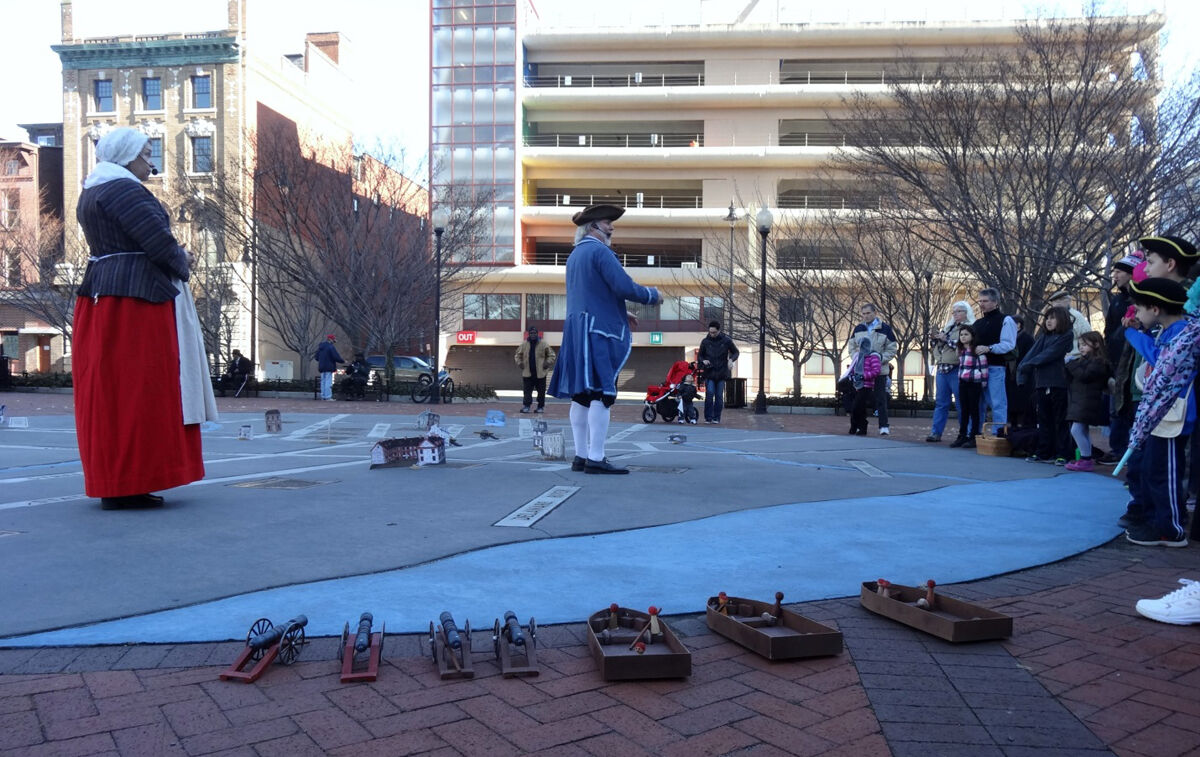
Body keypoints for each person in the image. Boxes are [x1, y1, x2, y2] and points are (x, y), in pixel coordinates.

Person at [72, 127, 211, 510]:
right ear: (126, 156)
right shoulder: (123, 190)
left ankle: (119, 482)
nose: (151, 160)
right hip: (136, 301)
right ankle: (129, 483)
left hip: (105, 296)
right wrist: (183, 261)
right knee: (141, 391)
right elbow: (157, 243)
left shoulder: (93, 189)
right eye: (146, 152)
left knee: (110, 394)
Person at [547, 204, 660, 474]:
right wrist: (652, 296)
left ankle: (581, 456)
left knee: (582, 396)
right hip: (597, 330)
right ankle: (596, 458)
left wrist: (620, 311)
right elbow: (623, 286)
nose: (612, 227)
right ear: (593, 227)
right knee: (601, 393)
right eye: (607, 222)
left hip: (577, 328)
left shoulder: (576, 255)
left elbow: (592, 294)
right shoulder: (600, 252)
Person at [1017, 306, 1074, 464]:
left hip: (1058, 383)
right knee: (1043, 419)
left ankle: (1063, 453)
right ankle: (1044, 451)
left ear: (1061, 319)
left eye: (1053, 318)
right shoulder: (1043, 337)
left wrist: (1030, 364)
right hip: (1042, 383)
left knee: (1060, 420)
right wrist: (1023, 368)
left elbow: (1050, 354)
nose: (1049, 321)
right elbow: (1033, 353)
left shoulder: (1066, 335)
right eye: (1047, 318)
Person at [1104, 250, 1142, 463]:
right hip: (1117, 358)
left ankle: (1130, 452)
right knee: (1115, 406)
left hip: (1133, 357)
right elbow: (1109, 329)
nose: (1115, 276)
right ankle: (1117, 449)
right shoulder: (1117, 299)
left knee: (1130, 407)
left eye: (1119, 271)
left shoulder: (1139, 297)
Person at [1063, 332, 1113, 472]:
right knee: (1082, 430)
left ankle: (1086, 458)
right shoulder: (1082, 361)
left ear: (1096, 344)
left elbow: (1084, 376)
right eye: (1080, 345)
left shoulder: (1099, 362)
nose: (1081, 348)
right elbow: (1073, 378)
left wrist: (1071, 364)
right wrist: (1067, 367)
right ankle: (1085, 457)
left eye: (1084, 345)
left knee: (1076, 429)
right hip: (1079, 400)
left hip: (1088, 400)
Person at [926, 300, 974, 442]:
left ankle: (966, 432)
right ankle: (936, 432)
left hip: (957, 367)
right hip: (942, 367)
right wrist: (935, 339)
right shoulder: (949, 326)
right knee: (941, 403)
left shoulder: (970, 327)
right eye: (954, 311)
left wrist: (945, 339)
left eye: (959, 311)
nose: (955, 314)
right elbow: (939, 345)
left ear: (967, 313)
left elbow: (965, 346)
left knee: (961, 403)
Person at [849, 303, 898, 435]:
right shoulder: (858, 328)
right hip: (862, 371)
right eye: (863, 314)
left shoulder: (885, 329)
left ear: (875, 312)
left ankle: (883, 426)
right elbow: (851, 347)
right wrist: (858, 358)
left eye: (868, 313)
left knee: (880, 399)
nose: (866, 316)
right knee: (860, 400)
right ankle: (861, 426)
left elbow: (892, 348)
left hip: (880, 370)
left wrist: (879, 358)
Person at [974, 288, 1018, 429]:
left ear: (995, 302)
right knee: (977, 403)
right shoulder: (977, 323)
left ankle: (998, 434)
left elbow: (1009, 344)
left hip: (995, 366)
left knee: (997, 403)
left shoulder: (1006, 320)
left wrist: (989, 348)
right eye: (980, 301)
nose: (981, 304)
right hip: (977, 368)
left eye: (985, 301)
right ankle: (975, 433)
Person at [951, 324, 987, 448]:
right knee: (964, 410)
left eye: (966, 334)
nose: (963, 337)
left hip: (974, 383)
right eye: (961, 335)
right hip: (963, 382)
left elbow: (983, 367)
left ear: (972, 336)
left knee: (974, 410)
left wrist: (982, 383)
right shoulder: (961, 350)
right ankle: (962, 435)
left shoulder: (976, 350)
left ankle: (974, 436)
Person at [698, 320, 739, 424]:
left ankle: (716, 417)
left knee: (719, 396)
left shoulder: (726, 341)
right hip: (709, 372)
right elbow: (700, 355)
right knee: (710, 393)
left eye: (714, 332)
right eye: (710, 332)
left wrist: (731, 360)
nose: (712, 334)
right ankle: (708, 417)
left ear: (719, 331)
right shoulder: (705, 341)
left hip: (721, 372)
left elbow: (736, 352)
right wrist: (703, 360)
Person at [514, 325, 556, 413]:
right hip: (527, 373)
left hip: (540, 374)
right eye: (531, 333)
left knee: (541, 392)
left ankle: (540, 407)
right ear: (529, 334)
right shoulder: (524, 344)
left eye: (535, 333)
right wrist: (519, 363)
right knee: (527, 392)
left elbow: (552, 355)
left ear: (537, 334)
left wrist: (547, 363)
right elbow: (517, 355)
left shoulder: (543, 344)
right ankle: (526, 406)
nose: (533, 335)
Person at [848, 336, 881, 436]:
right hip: (856, 386)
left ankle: (860, 427)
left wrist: (863, 376)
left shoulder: (873, 357)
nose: (861, 347)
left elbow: (876, 371)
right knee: (857, 408)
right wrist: (852, 376)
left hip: (866, 386)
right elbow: (852, 369)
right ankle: (857, 427)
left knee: (857, 408)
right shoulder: (858, 357)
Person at [1046, 289, 1091, 358]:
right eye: (1055, 302)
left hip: (1074, 357)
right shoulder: (1050, 318)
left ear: (1068, 301)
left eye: (1061, 300)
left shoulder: (1076, 316)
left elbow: (1087, 335)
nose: (1057, 303)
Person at [315, 334, 344, 401]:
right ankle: (328, 396)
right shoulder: (330, 347)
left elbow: (316, 357)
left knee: (323, 382)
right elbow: (336, 356)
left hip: (322, 366)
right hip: (329, 366)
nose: (334, 342)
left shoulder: (320, 347)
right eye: (333, 340)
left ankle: (323, 396)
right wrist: (342, 361)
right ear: (330, 339)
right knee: (328, 382)